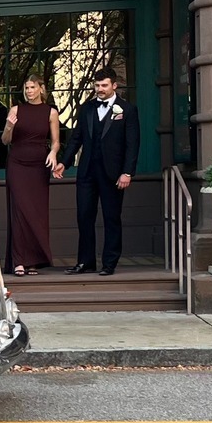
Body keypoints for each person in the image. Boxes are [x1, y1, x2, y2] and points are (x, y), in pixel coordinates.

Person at [55, 66, 140, 275]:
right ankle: (85, 262)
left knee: (112, 217)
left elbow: (132, 144)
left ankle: (109, 263)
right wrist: (64, 162)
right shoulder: (87, 108)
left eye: (104, 85)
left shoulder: (127, 110)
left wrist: (127, 172)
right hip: (87, 171)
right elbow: (76, 138)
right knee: (84, 216)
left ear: (114, 85)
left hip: (114, 173)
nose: (100, 89)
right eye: (97, 85)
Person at [1, 75, 61, 275]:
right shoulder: (15, 110)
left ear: (41, 89)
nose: (28, 91)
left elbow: (56, 141)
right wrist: (9, 126)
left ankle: (34, 261)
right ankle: (18, 261)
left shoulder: (51, 112)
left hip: (39, 165)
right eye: (26, 88)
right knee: (19, 211)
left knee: (36, 212)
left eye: (32, 87)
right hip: (17, 164)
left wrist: (53, 153)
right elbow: (5, 140)